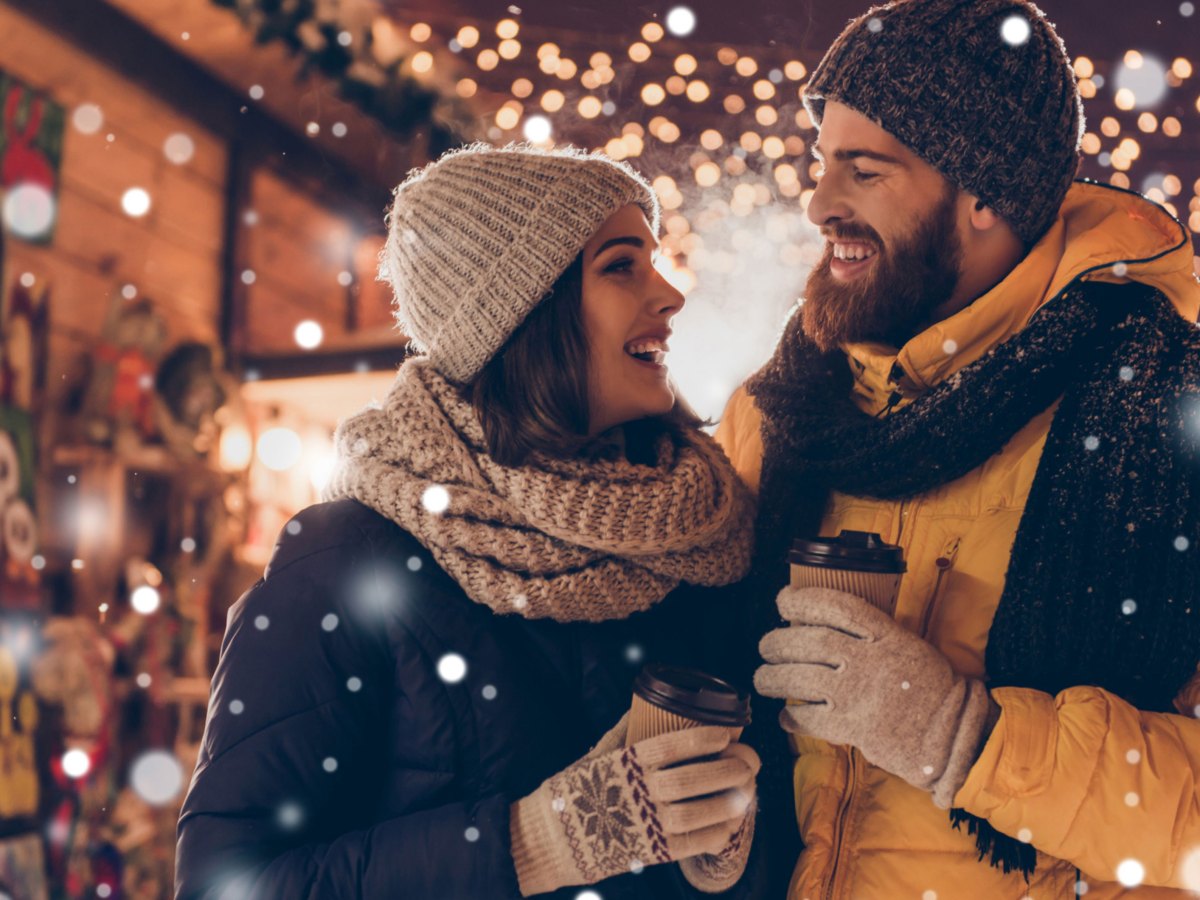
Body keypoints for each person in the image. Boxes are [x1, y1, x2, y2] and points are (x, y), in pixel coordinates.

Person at [174, 145, 763, 899]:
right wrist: (531, 844)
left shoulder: (700, 538)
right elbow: (226, 884)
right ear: (523, 313)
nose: (670, 294)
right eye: (622, 265)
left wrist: (737, 841)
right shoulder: (346, 560)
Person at [717, 0, 1200, 897]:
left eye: (864, 172)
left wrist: (966, 739)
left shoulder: (1170, 421)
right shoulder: (782, 410)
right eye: (822, 165)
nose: (821, 205)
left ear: (986, 195)